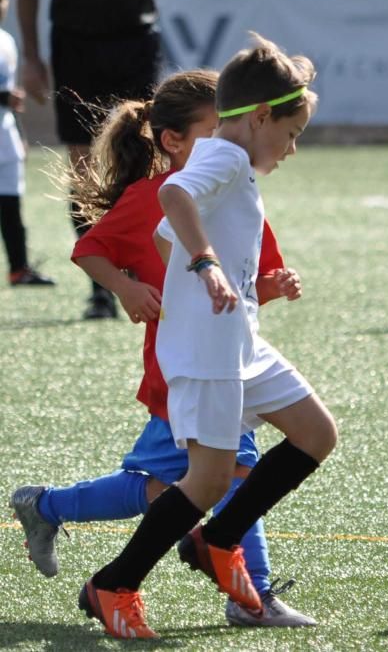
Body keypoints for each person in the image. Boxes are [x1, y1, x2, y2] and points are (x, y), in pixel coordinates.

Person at [8, 69, 315, 627]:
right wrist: (129, 287)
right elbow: (95, 248)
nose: (229, 137)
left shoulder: (234, 184)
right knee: (189, 483)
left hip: (228, 353)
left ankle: (240, 586)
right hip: (184, 367)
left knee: (182, 485)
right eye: (215, 128)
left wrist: (270, 285)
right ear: (173, 140)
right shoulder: (175, 186)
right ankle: (249, 594)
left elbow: (243, 286)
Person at [76, 34, 337, 640]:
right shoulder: (226, 156)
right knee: (209, 480)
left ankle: (217, 540)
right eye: (292, 134)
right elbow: (172, 193)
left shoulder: (232, 160)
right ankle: (114, 584)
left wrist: (219, 279)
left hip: (238, 342)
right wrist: (206, 267)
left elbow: (168, 229)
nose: (292, 149)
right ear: (262, 116)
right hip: (209, 353)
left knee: (316, 433)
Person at [17, 0, 161, 317]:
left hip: (136, 36)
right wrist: (32, 57)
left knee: (147, 158)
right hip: (75, 41)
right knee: (84, 168)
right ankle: (102, 291)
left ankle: (150, 271)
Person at [0, 0, 52, 286]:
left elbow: (11, 97)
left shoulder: (7, 41)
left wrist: (20, 133)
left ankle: (19, 268)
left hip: (5, 135)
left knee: (10, 205)